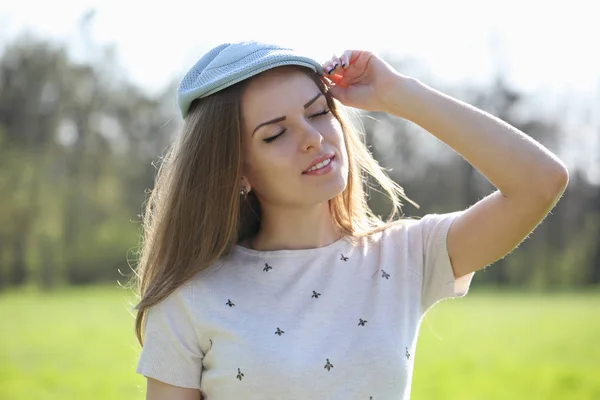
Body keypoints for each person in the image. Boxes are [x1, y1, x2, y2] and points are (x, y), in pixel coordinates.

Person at [132, 41, 568, 400]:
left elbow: (540, 182)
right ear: (237, 171)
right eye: (275, 133)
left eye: (318, 112)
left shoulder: (405, 254)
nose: (312, 138)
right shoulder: (190, 297)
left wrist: (399, 94)